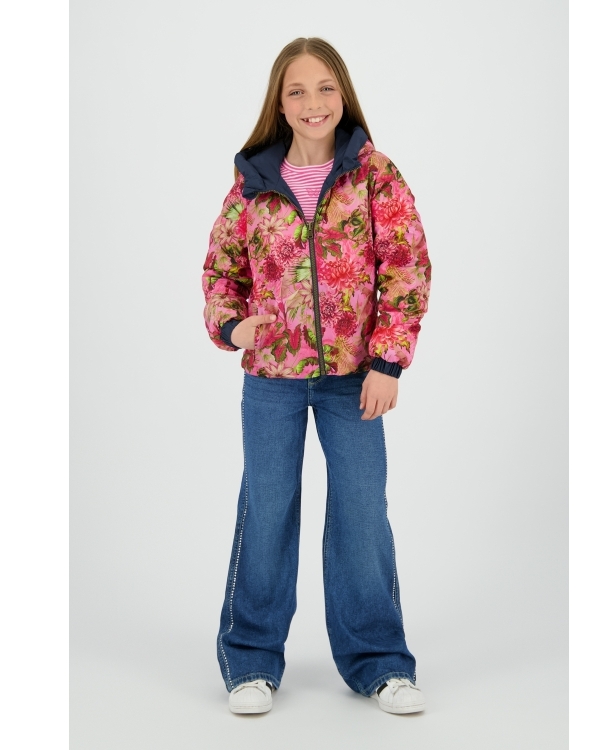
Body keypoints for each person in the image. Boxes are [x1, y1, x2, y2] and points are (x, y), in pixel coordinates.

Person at [201, 36, 431, 716]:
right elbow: (220, 270)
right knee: (267, 506)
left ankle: (379, 663)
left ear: (343, 95)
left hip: (353, 379)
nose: (313, 103)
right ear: (279, 102)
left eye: (325, 88)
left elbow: (407, 266)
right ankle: (250, 660)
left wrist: (387, 361)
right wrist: (232, 327)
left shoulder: (374, 173)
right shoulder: (251, 182)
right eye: (297, 90)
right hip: (271, 378)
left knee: (362, 509)